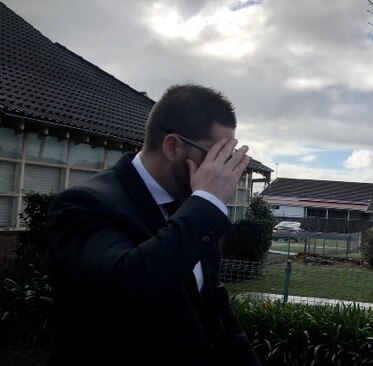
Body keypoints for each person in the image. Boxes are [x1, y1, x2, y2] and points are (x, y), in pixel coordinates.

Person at [47, 83, 261, 365]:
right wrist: (207, 202)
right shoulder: (83, 204)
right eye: (214, 155)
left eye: (229, 157)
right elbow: (130, 286)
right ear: (172, 146)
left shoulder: (191, 205)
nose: (221, 169)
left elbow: (213, 302)